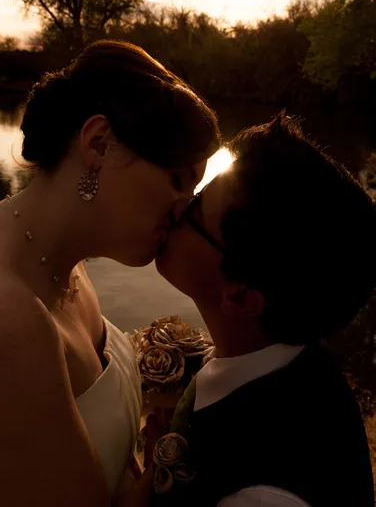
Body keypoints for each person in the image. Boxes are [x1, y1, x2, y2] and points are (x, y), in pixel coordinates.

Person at [0, 40, 220, 507]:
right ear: (98, 144)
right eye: (177, 180)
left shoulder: (67, 264)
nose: (185, 207)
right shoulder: (1, 318)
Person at [154, 113, 376, 507]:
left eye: (196, 210)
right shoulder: (281, 360)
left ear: (241, 298)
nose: (176, 206)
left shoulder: (265, 492)